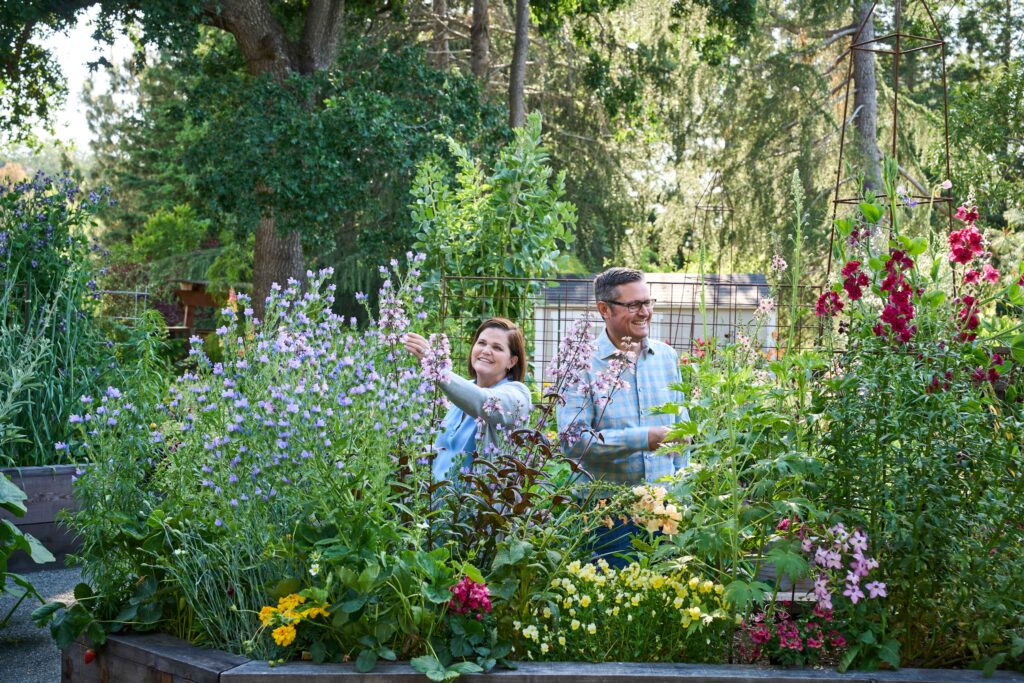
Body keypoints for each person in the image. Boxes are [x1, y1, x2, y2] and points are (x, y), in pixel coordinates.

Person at [556, 267, 689, 564]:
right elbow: (573, 441)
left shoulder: (666, 358)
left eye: (648, 302)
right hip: (608, 517)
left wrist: (683, 497)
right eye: (633, 305)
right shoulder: (580, 364)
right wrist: (645, 439)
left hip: (664, 512)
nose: (645, 312)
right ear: (604, 309)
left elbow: (682, 432)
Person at [403, 318, 531, 481]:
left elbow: (485, 402)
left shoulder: (518, 395)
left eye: (497, 347)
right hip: (437, 505)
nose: (486, 350)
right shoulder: (460, 393)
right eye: (481, 343)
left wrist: (435, 366)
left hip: (480, 504)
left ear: (512, 361)